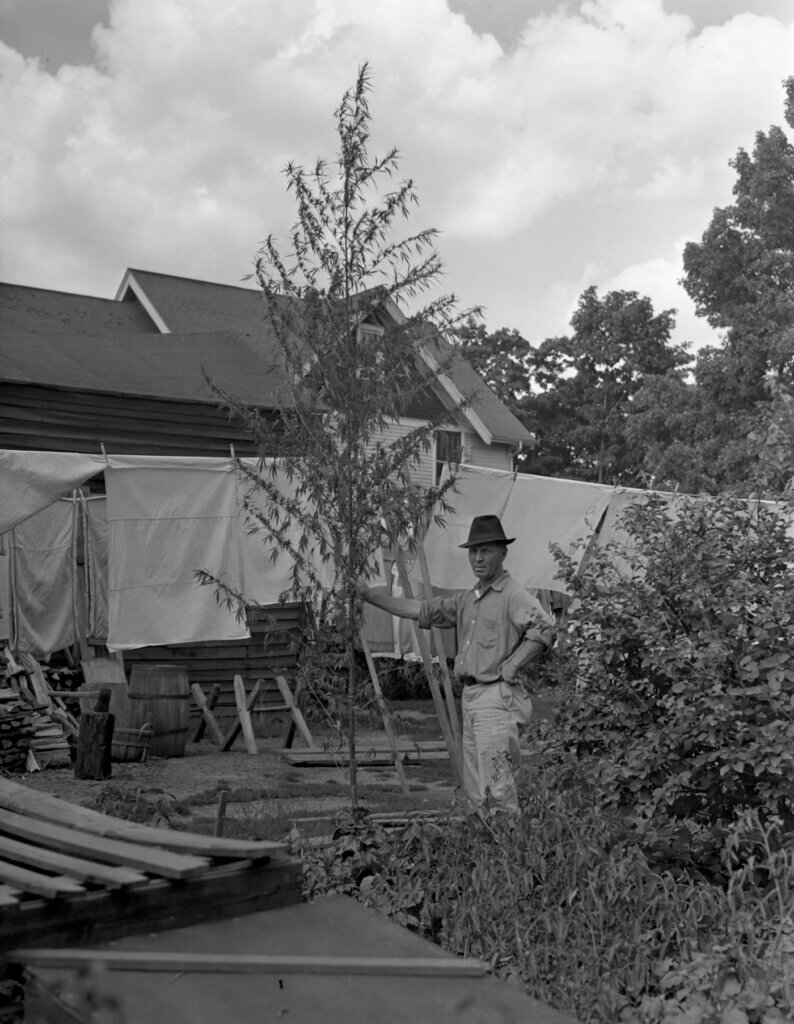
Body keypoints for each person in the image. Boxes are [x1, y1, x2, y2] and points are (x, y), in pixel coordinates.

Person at [357, 515, 556, 814]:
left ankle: (507, 841)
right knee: (476, 789)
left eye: (486, 551)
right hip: (472, 697)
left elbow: (545, 628)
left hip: (496, 697)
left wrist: (513, 664)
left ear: (503, 553)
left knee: (497, 786)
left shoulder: (513, 595)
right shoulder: (468, 600)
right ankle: (485, 841)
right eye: (473, 551)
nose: (478, 558)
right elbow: (420, 610)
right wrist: (370, 597)